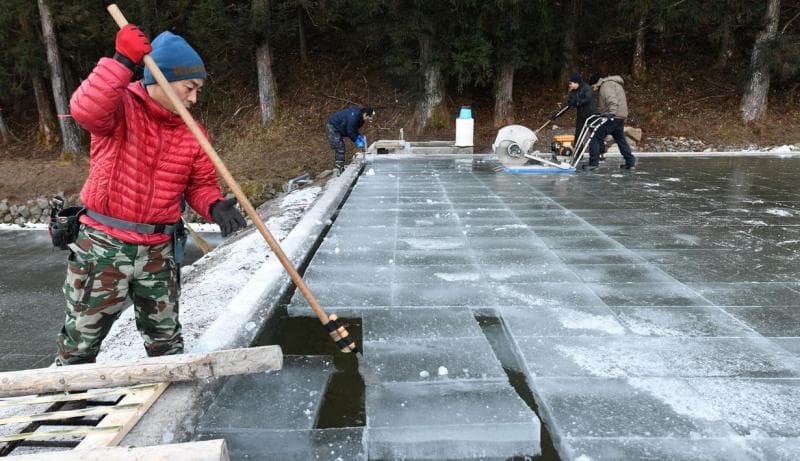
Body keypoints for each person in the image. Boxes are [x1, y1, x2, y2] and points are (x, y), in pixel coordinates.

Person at [55, 25, 246, 365]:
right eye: (190, 87)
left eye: (197, 90)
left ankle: (168, 402)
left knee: (166, 343)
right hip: (103, 248)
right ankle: (67, 408)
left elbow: (200, 185)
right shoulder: (120, 107)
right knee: (79, 346)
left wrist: (214, 206)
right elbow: (86, 110)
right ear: (163, 77)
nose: (194, 98)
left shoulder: (193, 132)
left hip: (159, 251)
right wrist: (121, 61)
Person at [584, 73, 635, 170]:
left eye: (593, 86)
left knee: (595, 137)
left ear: (596, 83)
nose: (593, 89)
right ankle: (630, 162)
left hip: (613, 117)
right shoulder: (613, 83)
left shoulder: (606, 86)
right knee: (620, 139)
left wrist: (611, 113)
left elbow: (612, 100)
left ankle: (593, 164)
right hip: (620, 116)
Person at [326, 106, 374, 176]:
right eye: (368, 117)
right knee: (340, 148)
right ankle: (339, 169)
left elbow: (354, 129)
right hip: (332, 127)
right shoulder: (354, 116)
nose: (367, 120)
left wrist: (358, 136)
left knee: (341, 147)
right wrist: (356, 140)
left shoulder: (360, 118)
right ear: (365, 114)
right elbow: (350, 131)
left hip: (339, 127)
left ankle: (340, 168)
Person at [565, 72, 597, 145]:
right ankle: (578, 153)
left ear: (576, 82)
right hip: (581, 115)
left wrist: (577, 102)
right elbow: (569, 102)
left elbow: (587, 98)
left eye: (571, 83)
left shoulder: (586, 88)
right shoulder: (573, 91)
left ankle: (601, 151)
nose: (569, 85)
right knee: (578, 134)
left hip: (591, 114)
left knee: (595, 134)